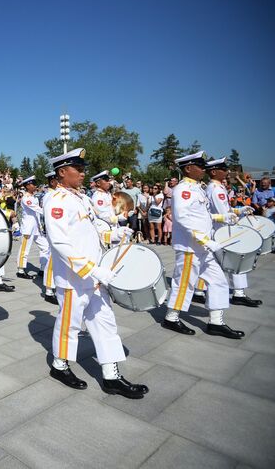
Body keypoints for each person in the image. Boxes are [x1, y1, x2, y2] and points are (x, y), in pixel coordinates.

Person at [44, 149, 145, 398]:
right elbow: (60, 243)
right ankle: (60, 365)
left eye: (82, 168)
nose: (82, 172)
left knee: (105, 323)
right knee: (70, 323)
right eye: (77, 169)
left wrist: (115, 234)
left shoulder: (83, 198)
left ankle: (112, 376)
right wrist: (92, 269)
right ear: (61, 172)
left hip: (95, 275)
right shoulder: (56, 200)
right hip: (74, 277)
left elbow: (94, 230)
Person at [162, 151, 246, 339]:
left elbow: (202, 215)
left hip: (203, 247)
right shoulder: (183, 189)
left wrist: (223, 216)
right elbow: (182, 218)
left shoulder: (198, 188)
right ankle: (171, 317)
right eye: (200, 166)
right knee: (185, 283)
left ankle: (216, 322)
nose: (204, 170)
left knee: (218, 280)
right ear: (189, 168)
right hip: (191, 247)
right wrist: (205, 239)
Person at [205, 158, 259, 307]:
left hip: (222, 228)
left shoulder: (218, 187)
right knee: (234, 260)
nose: (227, 171)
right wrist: (236, 222)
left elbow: (226, 210)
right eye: (223, 169)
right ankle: (237, 294)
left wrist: (239, 210)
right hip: (221, 230)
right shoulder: (215, 189)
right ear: (214, 172)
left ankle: (238, 293)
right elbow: (224, 214)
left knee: (227, 262)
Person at [16, 176, 49, 280]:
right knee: (24, 250)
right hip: (28, 229)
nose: (35, 186)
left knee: (46, 247)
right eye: (33, 184)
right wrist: (49, 212)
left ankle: (43, 269)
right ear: (27, 186)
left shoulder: (34, 197)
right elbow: (37, 209)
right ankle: (20, 270)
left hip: (36, 228)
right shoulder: (26, 198)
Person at [40, 171, 58, 301]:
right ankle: (49, 290)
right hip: (54, 233)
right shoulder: (49, 196)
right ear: (52, 182)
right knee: (52, 260)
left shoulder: (56, 194)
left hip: (59, 232)